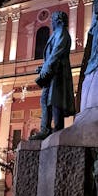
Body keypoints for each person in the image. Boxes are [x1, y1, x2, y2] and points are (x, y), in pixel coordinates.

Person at [30, 11, 75, 140]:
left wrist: (47, 66)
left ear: (58, 20)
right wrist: (43, 67)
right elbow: (52, 55)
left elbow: (56, 52)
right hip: (52, 72)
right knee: (47, 100)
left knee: (55, 100)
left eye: (53, 21)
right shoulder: (56, 34)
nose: (51, 23)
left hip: (58, 73)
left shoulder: (61, 33)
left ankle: (55, 128)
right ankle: (47, 129)